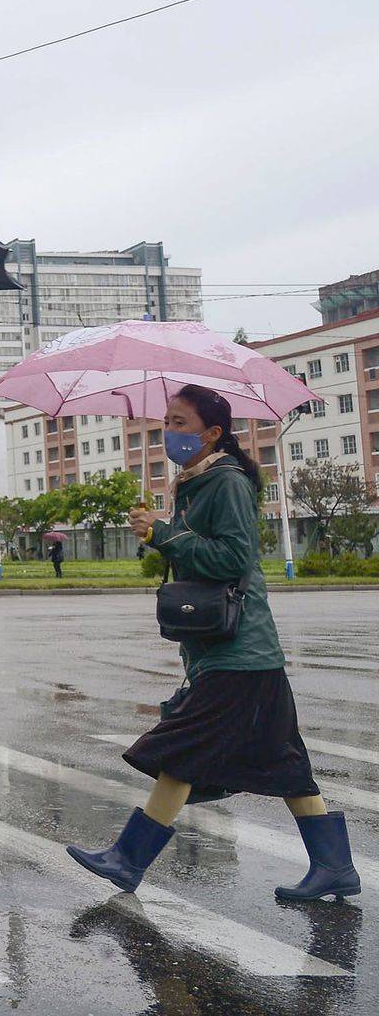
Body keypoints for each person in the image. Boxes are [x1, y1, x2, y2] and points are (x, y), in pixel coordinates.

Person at [66, 383, 361, 901]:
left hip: (239, 650)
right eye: (168, 421)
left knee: (185, 747)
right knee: (284, 761)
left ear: (213, 432)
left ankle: (127, 858)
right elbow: (198, 554)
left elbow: (230, 559)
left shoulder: (225, 482)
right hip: (233, 650)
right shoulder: (195, 483)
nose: (169, 432)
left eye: (180, 422)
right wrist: (160, 532)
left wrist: (164, 534)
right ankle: (334, 866)